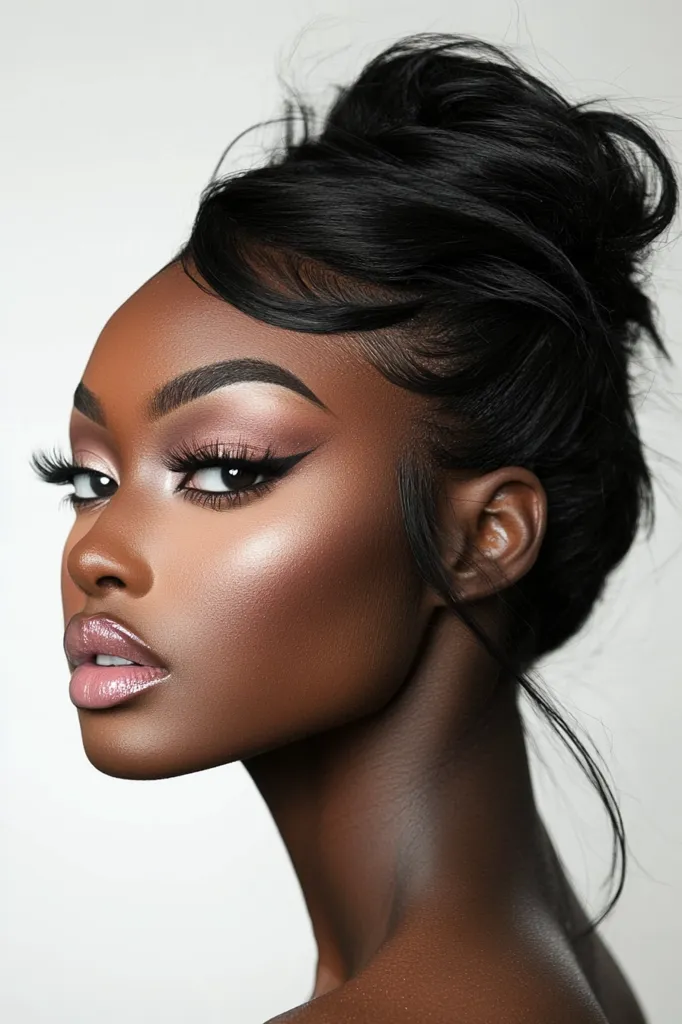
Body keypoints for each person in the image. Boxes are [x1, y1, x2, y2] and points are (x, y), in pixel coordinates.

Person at [32, 32, 678, 1024]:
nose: (96, 551)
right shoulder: (547, 979)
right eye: (90, 476)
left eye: (223, 467)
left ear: (486, 536)